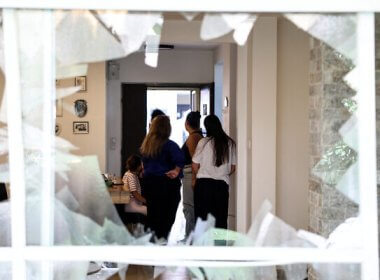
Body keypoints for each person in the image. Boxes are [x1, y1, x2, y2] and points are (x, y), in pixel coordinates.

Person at [140, 115, 185, 239]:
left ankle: (152, 243)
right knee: (166, 219)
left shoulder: (147, 145)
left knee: (153, 216)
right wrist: (176, 171)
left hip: (150, 185)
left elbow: (144, 165)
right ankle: (161, 242)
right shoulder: (170, 145)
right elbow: (180, 159)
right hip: (167, 185)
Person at [192, 115, 236, 229]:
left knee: (202, 220)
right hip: (221, 187)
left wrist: (197, 176)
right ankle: (219, 246)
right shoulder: (230, 143)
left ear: (207, 127)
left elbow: (195, 165)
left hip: (203, 186)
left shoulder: (204, 142)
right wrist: (220, 173)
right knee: (220, 220)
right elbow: (232, 168)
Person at [181, 111, 203, 236]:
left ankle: (190, 238)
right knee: (191, 207)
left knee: (189, 207)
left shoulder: (193, 138)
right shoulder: (198, 136)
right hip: (191, 174)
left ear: (187, 123)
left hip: (191, 175)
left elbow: (196, 161)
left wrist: (194, 179)